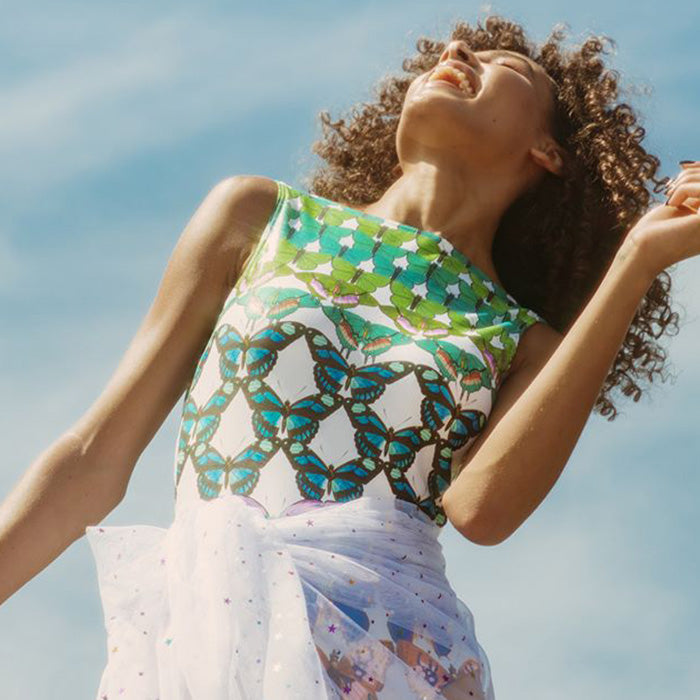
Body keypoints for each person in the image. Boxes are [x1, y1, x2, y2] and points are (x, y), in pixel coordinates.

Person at [1, 13, 697, 700]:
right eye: (458, 48)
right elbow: (94, 456)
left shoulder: (521, 340)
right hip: (208, 640)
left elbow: (482, 511)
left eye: (505, 67)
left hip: (398, 660)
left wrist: (637, 262)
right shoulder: (260, 217)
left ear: (548, 151)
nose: (459, 50)